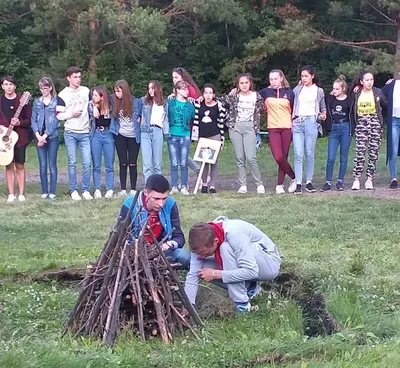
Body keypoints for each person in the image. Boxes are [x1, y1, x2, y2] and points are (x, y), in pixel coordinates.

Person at [184, 217, 281, 312]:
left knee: (225, 248)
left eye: (204, 253)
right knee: (201, 268)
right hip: (247, 263)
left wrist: (216, 274)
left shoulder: (234, 234)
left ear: (215, 241)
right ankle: (250, 288)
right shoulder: (199, 242)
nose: (201, 256)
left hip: (268, 263)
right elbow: (193, 274)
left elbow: (252, 271)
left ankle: (242, 305)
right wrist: (188, 305)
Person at [119, 174, 190, 269]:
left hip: (163, 250)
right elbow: (121, 239)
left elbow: (179, 236)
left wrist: (168, 245)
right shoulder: (129, 205)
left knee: (184, 256)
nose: (161, 204)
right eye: (156, 199)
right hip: (135, 253)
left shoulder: (171, 204)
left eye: (164, 198)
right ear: (145, 193)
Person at [219, 73, 265, 194]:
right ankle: (243, 184)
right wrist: (230, 94)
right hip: (235, 127)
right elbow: (218, 101)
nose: (244, 85)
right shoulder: (234, 96)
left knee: (251, 157)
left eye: (246, 83)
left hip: (250, 127)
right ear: (238, 85)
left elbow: (264, 108)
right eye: (241, 83)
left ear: (250, 83)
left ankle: (259, 184)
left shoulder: (257, 96)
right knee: (240, 158)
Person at [56, 66, 92, 200]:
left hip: (85, 132)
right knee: (72, 162)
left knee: (87, 162)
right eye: (75, 77)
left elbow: (90, 106)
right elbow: (58, 115)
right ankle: (74, 190)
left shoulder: (86, 91)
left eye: (79, 77)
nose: (78, 79)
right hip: (70, 132)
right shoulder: (63, 94)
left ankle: (86, 190)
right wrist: (71, 114)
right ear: (68, 78)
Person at [259, 69, 296, 194]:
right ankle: (294, 177)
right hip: (273, 128)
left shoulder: (290, 93)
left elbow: (294, 109)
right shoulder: (265, 92)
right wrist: (235, 90)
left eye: (275, 79)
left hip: (286, 127)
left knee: (284, 156)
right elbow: (249, 95)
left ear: (281, 78)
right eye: (271, 79)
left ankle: (279, 185)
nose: (273, 81)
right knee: (279, 157)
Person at [292, 65, 327, 195]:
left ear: (312, 76)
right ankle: (298, 183)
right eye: (302, 76)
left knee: (309, 152)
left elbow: (323, 107)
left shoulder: (319, 91)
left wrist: (323, 114)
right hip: (298, 122)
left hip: (311, 122)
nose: (304, 78)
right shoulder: (298, 89)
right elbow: (291, 100)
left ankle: (309, 181)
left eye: (306, 76)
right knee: (298, 153)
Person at [350, 71, 387, 190]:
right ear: (361, 81)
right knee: (360, 152)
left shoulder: (378, 92)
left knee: (373, 152)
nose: (370, 82)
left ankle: (369, 179)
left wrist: (380, 120)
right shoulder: (356, 93)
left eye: (371, 79)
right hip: (361, 123)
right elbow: (351, 109)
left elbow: (385, 105)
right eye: (367, 80)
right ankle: (356, 179)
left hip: (375, 122)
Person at [0, 75, 32, 202]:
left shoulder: (22, 101)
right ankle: (11, 194)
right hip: (4, 138)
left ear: (15, 86)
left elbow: (29, 120)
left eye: (11, 84)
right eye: (6, 84)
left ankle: (21, 193)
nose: (9, 87)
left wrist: (19, 123)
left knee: (19, 165)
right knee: (8, 165)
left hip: (20, 137)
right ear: (2, 86)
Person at [110, 80, 142, 197]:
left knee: (132, 163)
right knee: (123, 163)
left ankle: (133, 189)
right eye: (115, 91)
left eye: (118, 91)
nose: (116, 94)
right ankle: (123, 189)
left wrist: (141, 118)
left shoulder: (136, 102)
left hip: (134, 136)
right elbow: (100, 97)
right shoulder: (113, 101)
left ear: (125, 90)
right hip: (120, 135)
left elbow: (144, 110)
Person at [321, 76, 353, 192]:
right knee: (330, 157)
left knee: (343, 157)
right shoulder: (330, 98)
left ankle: (340, 181)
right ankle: (328, 182)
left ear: (343, 89)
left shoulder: (349, 99)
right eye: (333, 89)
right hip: (334, 128)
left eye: (337, 89)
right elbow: (324, 102)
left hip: (345, 127)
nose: (334, 91)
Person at [193, 83, 226, 194]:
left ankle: (212, 186)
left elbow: (223, 119)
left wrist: (221, 139)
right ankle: (204, 184)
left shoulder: (218, 105)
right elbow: (189, 101)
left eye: (210, 93)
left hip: (214, 135)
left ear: (213, 94)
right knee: (204, 161)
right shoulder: (199, 104)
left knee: (214, 161)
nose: (208, 95)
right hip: (202, 136)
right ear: (203, 94)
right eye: (206, 93)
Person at [31, 77, 60, 200]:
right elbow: (33, 119)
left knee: (52, 165)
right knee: (42, 165)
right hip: (39, 136)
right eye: (42, 88)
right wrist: (38, 135)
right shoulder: (37, 102)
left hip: (52, 137)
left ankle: (52, 191)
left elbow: (55, 121)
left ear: (50, 88)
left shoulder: (56, 102)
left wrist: (45, 136)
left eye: (46, 88)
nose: (44, 90)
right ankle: (44, 191)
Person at [167, 80, 195, 195]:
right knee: (174, 162)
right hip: (172, 134)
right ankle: (174, 185)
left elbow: (192, 118)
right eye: (183, 89)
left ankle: (184, 185)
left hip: (185, 135)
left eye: (187, 89)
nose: (186, 91)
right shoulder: (170, 103)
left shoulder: (189, 105)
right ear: (177, 90)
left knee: (183, 162)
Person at [171, 67, 201, 175]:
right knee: (179, 153)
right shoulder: (176, 91)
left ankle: (198, 171)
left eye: (176, 77)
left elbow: (196, 105)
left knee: (181, 153)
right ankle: (196, 171)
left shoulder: (190, 89)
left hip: (188, 126)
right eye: (173, 78)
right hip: (177, 127)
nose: (174, 80)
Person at [140, 80, 169, 184]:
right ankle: (148, 186)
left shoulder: (164, 104)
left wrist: (167, 133)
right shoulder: (143, 101)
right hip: (145, 131)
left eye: (152, 88)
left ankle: (157, 186)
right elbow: (137, 114)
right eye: (149, 88)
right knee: (147, 163)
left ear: (158, 89)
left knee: (157, 163)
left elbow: (165, 120)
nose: (150, 91)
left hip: (158, 131)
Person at [89, 86, 115, 199]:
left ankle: (110, 189)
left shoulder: (110, 106)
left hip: (108, 134)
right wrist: (94, 106)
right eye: (92, 95)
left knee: (109, 164)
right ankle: (97, 189)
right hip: (96, 134)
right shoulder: (91, 105)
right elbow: (88, 107)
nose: (93, 97)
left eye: (95, 95)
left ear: (102, 96)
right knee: (96, 165)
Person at [381, 77, 400, 189]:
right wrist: (358, 87)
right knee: (393, 148)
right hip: (394, 120)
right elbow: (376, 93)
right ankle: (394, 178)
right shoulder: (392, 84)